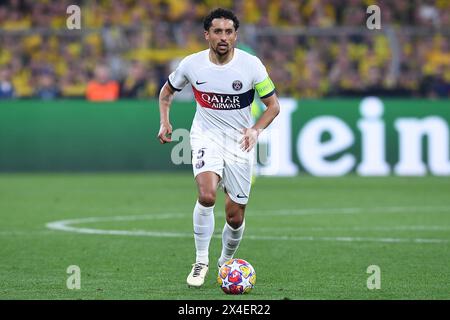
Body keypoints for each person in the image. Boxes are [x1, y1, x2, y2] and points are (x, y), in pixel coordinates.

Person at [157, 8, 280, 288]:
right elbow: (166, 93)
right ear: (207, 35)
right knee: (207, 195)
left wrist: (255, 128)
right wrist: (165, 122)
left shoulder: (252, 66)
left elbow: (274, 106)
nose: (223, 37)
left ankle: (226, 261)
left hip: (239, 141)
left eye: (228, 32)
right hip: (205, 136)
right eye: (217, 32)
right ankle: (201, 261)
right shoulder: (192, 64)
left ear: (235, 36)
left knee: (234, 216)